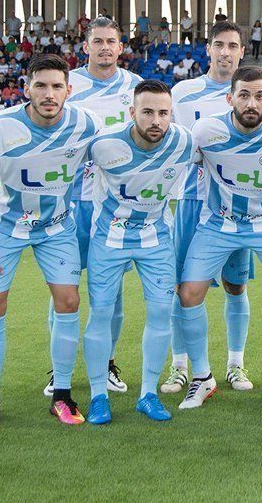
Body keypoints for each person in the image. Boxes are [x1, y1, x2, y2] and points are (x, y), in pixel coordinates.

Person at [0, 54, 100, 432]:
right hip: (4, 226)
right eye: (40, 85)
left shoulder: (86, 125)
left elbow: (111, 159)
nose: (49, 93)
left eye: (57, 86)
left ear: (69, 91)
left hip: (56, 226)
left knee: (69, 301)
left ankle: (62, 394)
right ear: (26, 89)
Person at [166, 21, 262, 400]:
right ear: (208, 49)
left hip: (243, 205)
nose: (225, 51)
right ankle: (180, 366)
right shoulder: (184, 92)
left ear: (243, 51)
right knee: (185, 288)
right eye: (218, 45)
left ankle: (235, 363)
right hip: (193, 201)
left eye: (232, 46)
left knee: (236, 284)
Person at [41, 16, 144, 397]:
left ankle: (107, 362)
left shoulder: (135, 87)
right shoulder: (66, 85)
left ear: (121, 47)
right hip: (68, 201)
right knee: (63, 290)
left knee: (110, 293)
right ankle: (58, 368)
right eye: (97, 41)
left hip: (113, 206)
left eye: (111, 41)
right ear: (86, 46)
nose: (104, 47)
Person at [82, 80, 192, 425]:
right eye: (147, 112)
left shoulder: (184, 142)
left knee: (161, 310)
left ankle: (148, 394)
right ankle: (99, 395)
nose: (156, 120)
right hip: (108, 238)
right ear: (132, 113)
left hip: (156, 237)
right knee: (100, 314)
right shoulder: (103, 146)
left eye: (163, 113)